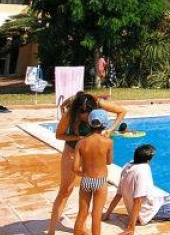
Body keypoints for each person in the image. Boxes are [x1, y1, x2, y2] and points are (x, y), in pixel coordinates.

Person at [48, 91, 125, 235]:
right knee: (65, 191)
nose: (87, 118)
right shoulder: (70, 114)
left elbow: (122, 111)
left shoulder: (98, 104)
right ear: (77, 112)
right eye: (83, 115)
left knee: (86, 200)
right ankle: (51, 231)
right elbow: (59, 135)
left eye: (89, 114)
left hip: (90, 153)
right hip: (73, 150)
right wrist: (78, 138)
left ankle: (81, 228)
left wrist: (111, 130)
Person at [103, 144, 170, 234]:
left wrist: (107, 214)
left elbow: (119, 194)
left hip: (153, 203)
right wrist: (131, 227)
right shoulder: (143, 170)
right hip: (151, 212)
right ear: (148, 159)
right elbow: (138, 200)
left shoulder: (128, 166)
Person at [73, 109, 113, 235]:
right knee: (96, 215)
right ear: (104, 125)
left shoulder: (81, 143)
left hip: (86, 180)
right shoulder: (108, 142)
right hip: (100, 181)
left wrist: (84, 174)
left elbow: (75, 168)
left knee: (82, 213)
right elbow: (109, 162)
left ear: (89, 124)